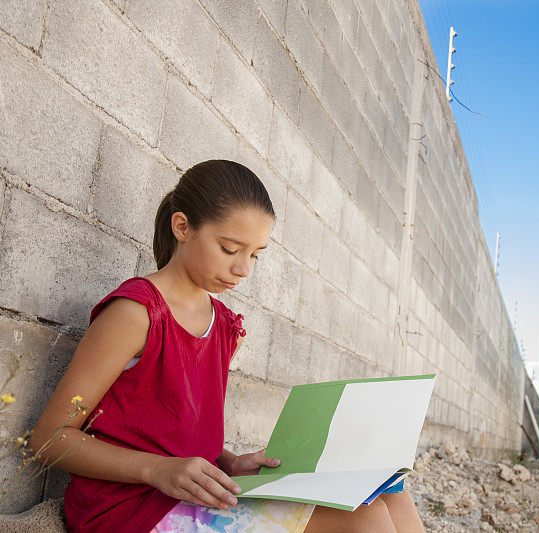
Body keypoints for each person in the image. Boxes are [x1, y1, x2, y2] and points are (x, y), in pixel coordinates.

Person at [30, 160, 426, 532]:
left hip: (193, 494)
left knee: (389, 494)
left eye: (255, 254)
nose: (243, 268)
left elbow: (178, 432)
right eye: (229, 249)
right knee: (364, 520)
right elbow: (50, 439)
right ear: (182, 227)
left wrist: (229, 463)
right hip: (131, 508)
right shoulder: (136, 314)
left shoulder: (223, 327)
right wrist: (157, 470)